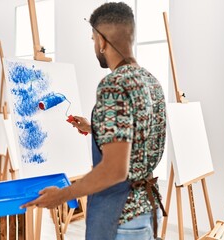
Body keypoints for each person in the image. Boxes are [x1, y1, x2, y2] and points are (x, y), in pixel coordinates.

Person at [21, 2, 167, 240]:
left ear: (101, 41)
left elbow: (115, 170)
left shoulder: (114, 84)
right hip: (148, 211)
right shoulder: (151, 82)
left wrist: (63, 195)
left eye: (92, 40)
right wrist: (95, 128)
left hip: (122, 218)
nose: (94, 47)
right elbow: (141, 134)